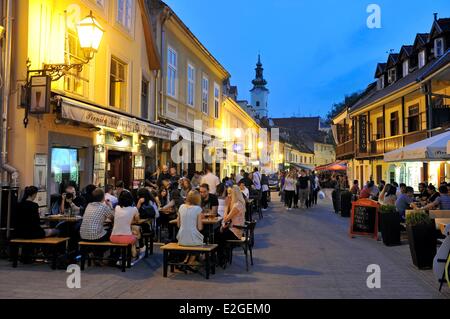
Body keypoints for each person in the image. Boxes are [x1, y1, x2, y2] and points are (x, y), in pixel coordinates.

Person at [215, 185, 245, 267]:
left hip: (236, 232)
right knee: (217, 233)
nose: (228, 196)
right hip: (233, 229)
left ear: (235, 194)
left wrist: (226, 206)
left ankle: (221, 258)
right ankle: (221, 257)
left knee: (217, 236)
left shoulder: (237, 206)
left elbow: (225, 219)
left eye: (230, 193)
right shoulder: (236, 204)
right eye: (228, 193)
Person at [110, 190, 141, 258]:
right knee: (136, 234)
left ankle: (126, 253)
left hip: (113, 238)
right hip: (127, 238)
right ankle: (136, 250)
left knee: (132, 232)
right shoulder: (134, 209)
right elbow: (137, 221)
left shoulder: (117, 208)